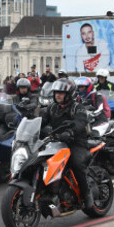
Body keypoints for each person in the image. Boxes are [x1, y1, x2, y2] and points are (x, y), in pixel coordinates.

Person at [41, 79, 92, 208]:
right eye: (56, 92)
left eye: (61, 93)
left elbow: (80, 122)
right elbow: (42, 121)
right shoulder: (52, 107)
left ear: (69, 94)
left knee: (76, 163)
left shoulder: (77, 107)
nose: (58, 95)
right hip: (57, 141)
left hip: (76, 142)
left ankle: (87, 195)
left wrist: (70, 132)